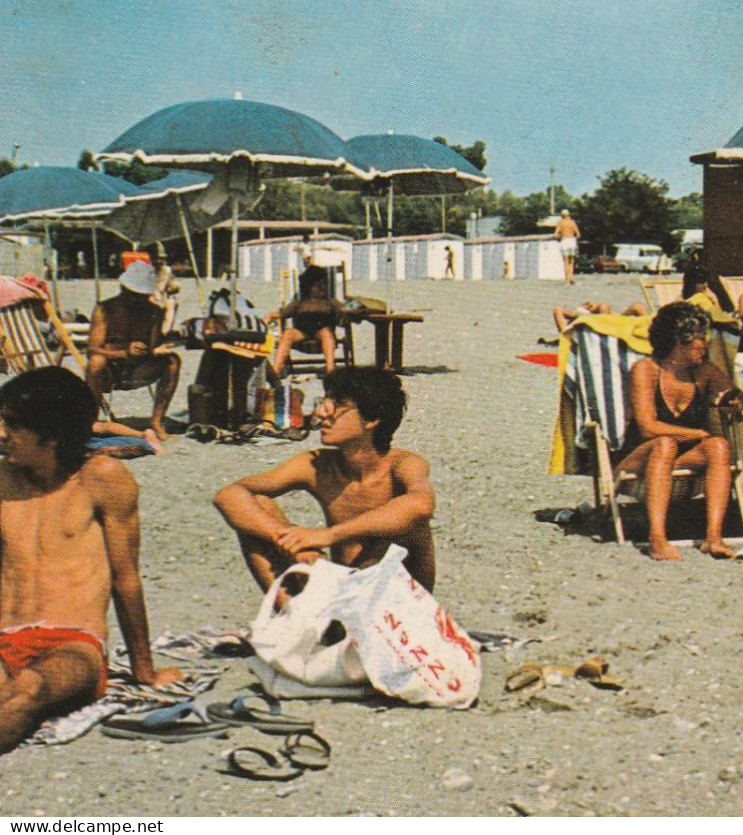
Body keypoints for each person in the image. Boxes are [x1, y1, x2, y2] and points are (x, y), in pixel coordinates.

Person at [0, 368, 182, 752]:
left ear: (51, 433)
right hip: (4, 638)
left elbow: (126, 579)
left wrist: (144, 672)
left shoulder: (102, 479)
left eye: (14, 425)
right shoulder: (2, 480)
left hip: (72, 644)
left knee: (29, 689)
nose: (2, 433)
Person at [212, 367, 436, 591]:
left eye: (337, 405)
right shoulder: (318, 465)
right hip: (338, 591)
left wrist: (326, 536)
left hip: (394, 606)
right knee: (258, 506)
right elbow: (229, 495)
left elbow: (422, 505)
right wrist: (295, 544)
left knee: (409, 524)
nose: (320, 414)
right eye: (323, 402)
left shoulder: (402, 464)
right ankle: (298, 621)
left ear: (371, 419)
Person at [618, 302, 743, 561]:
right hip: (638, 461)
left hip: (679, 461)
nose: (706, 344)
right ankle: (657, 539)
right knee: (664, 443)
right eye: (700, 338)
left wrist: (737, 401)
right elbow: (647, 428)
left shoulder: (704, 372)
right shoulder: (645, 370)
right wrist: (699, 435)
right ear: (679, 341)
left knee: (719, 447)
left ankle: (713, 538)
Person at [85, 261, 182, 439]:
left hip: (139, 369)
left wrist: (154, 351)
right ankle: (91, 420)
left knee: (172, 361)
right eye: (133, 295)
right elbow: (92, 349)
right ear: (123, 289)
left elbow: (152, 347)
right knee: (96, 362)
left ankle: (156, 422)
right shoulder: (105, 309)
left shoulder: (153, 311)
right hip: (110, 371)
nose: (137, 300)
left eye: (141, 296)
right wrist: (124, 353)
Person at [267, 265, 345, 379]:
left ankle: (330, 370)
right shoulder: (299, 303)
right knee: (288, 333)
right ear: (309, 287)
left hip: (321, 333)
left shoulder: (330, 302)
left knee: (326, 332)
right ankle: (275, 371)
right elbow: (280, 313)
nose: (322, 287)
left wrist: (347, 314)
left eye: (323, 284)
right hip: (302, 333)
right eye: (318, 285)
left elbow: (345, 312)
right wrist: (268, 317)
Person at [149, 249, 182, 335]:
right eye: (158, 258)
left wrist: (176, 286)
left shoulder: (166, 271)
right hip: (147, 298)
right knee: (156, 303)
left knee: (171, 303)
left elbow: (171, 284)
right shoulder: (145, 270)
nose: (160, 261)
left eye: (162, 258)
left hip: (161, 298)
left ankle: (166, 331)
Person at [555, 209, 581, 286]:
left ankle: (567, 281)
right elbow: (578, 234)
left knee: (566, 262)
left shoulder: (560, 223)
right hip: (572, 241)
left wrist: (560, 236)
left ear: (561, 216)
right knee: (571, 262)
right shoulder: (572, 222)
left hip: (565, 241)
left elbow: (556, 234)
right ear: (569, 215)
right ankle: (572, 278)